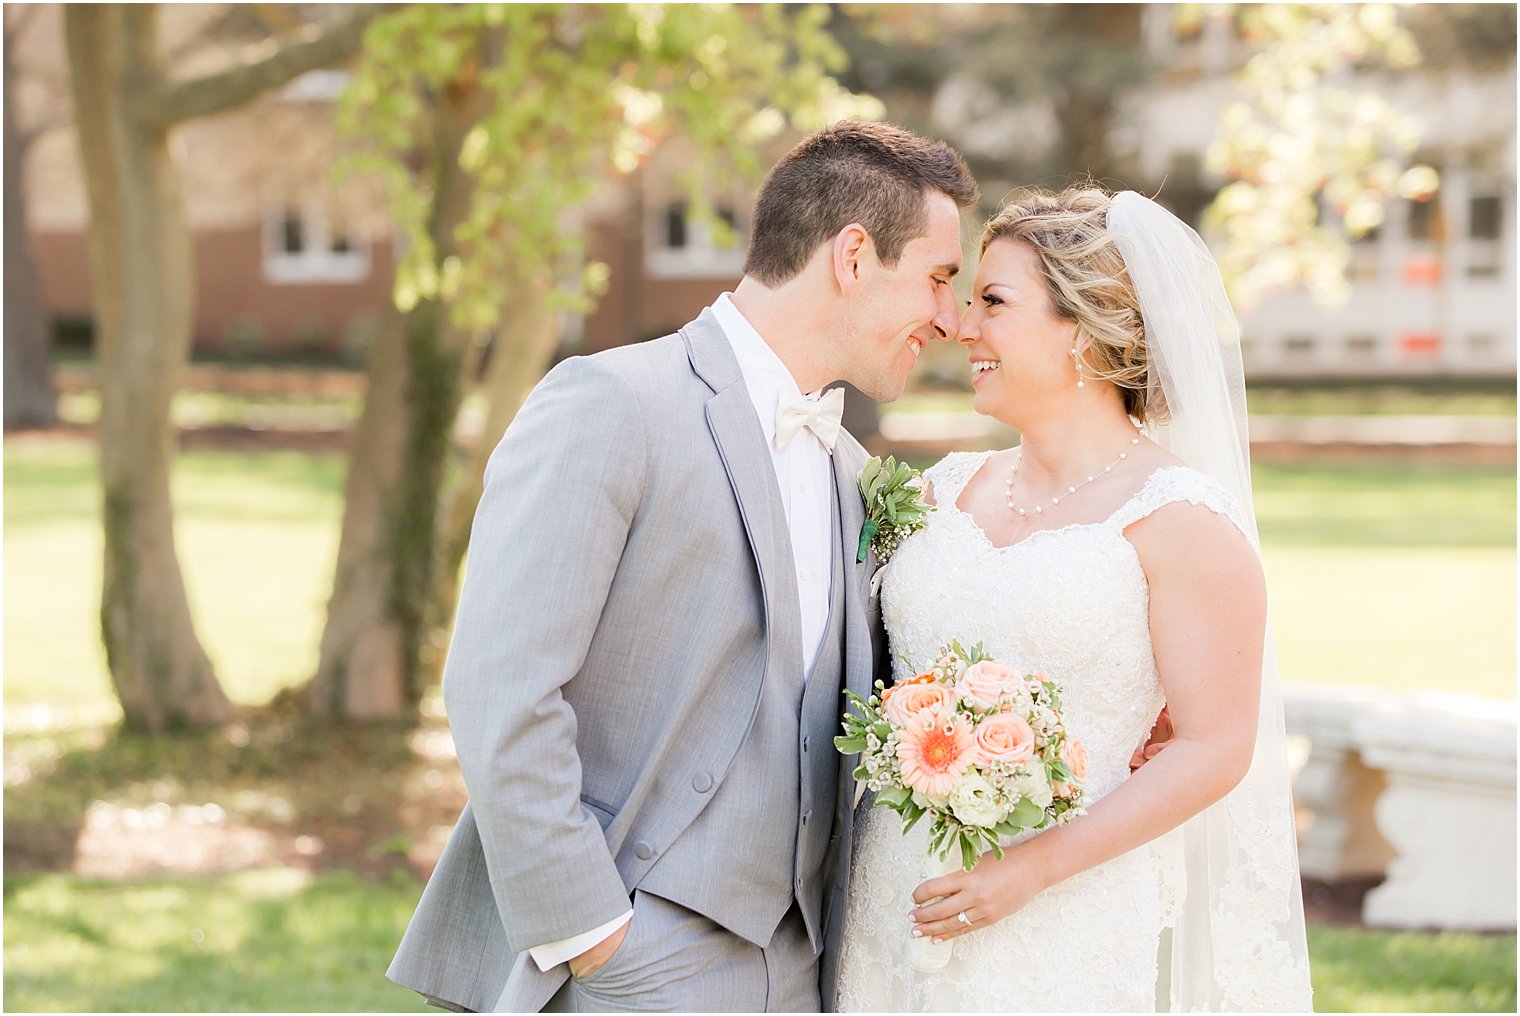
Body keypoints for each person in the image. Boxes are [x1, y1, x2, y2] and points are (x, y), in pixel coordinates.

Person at [385, 120, 978, 1013]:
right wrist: (593, 934)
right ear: (854, 256)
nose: (949, 316)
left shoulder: (854, 473)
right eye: (938, 277)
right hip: (634, 959)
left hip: (806, 966)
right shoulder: (614, 404)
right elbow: (500, 685)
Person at [833, 188, 1314, 1012]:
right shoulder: (940, 492)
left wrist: (1031, 869)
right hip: (890, 899)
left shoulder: (1179, 520)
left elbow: (1215, 746)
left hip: (1061, 922)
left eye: (993, 301)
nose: (961, 326)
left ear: (1084, 331)